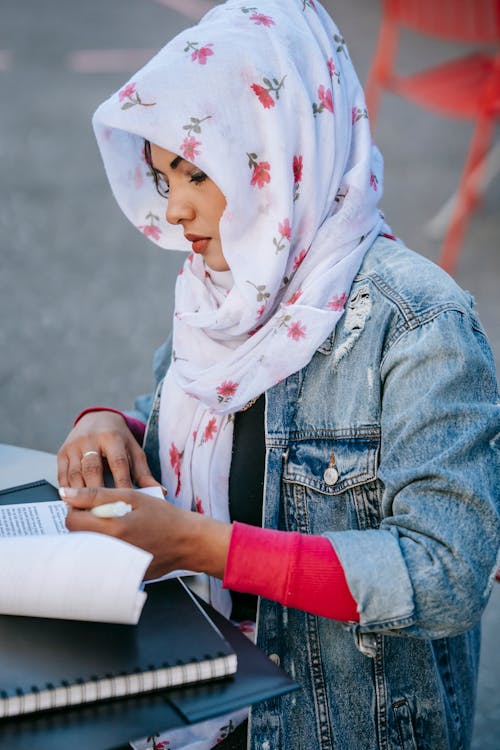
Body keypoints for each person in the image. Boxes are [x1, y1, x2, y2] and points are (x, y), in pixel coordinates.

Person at [58, 1, 500, 748]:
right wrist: (109, 425)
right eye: (166, 177)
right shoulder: (223, 293)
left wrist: (205, 548)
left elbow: (446, 573)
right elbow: (195, 431)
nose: (179, 210)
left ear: (281, 143)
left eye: (199, 169)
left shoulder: (421, 322)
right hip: (197, 712)